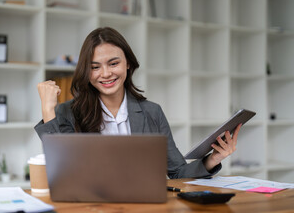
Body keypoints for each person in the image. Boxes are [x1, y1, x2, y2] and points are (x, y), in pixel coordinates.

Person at [34, 27, 241, 179]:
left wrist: (212, 159)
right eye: (95, 67)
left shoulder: (152, 112)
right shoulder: (68, 112)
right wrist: (47, 110)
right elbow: (65, 173)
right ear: (86, 72)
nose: (105, 74)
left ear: (128, 64)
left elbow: (177, 172)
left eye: (113, 63)